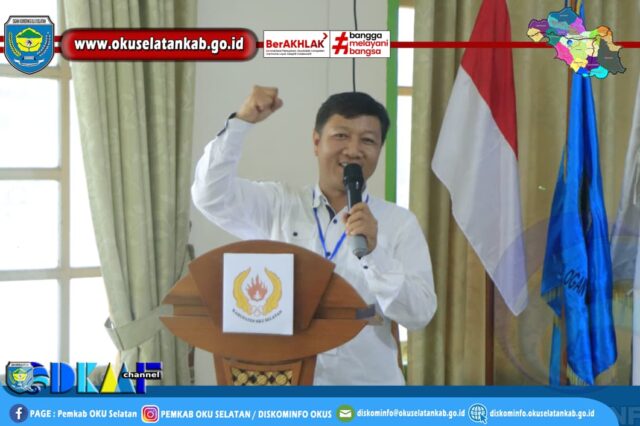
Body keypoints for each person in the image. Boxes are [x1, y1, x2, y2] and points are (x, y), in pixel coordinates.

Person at [192, 86, 436, 385]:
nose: (353, 150)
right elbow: (210, 195)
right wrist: (241, 122)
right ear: (316, 142)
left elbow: (419, 314)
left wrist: (375, 254)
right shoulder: (279, 205)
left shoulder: (399, 223)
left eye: (368, 140)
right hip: (288, 389)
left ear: (379, 151)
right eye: (341, 135)